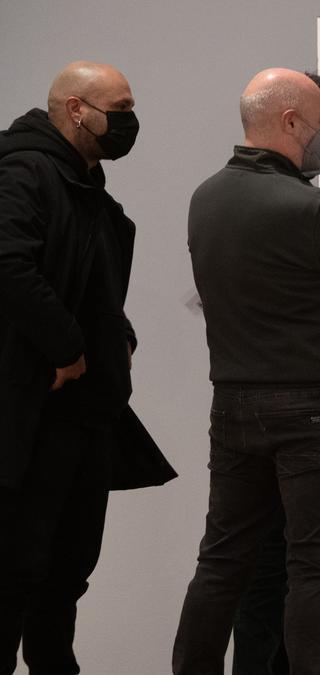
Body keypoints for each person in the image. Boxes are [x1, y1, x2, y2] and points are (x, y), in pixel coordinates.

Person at [173, 68, 320, 675]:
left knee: (222, 560)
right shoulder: (316, 209)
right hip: (314, 405)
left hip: (234, 401)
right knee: (315, 570)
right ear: (292, 121)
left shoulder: (205, 197)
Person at [0, 59, 175, 675]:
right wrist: (70, 349)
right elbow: (10, 268)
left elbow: (95, 289)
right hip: (32, 420)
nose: (130, 122)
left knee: (64, 577)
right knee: (15, 576)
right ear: (77, 109)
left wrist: (116, 337)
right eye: (119, 108)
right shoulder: (23, 171)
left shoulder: (86, 186)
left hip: (82, 422)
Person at [230, 69, 320, 675]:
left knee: (272, 563)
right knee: (292, 566)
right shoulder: (307, 208)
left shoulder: (235, 197)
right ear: (299, 121)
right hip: (301, 405)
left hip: (247, 400)